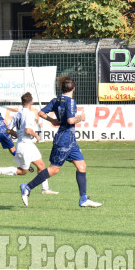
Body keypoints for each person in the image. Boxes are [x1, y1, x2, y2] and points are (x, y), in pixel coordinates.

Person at [20, 76, 101, 208]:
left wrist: (52, 120)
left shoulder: (56, 100)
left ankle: (83, 199)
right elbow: (70, 121)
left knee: (82, 167)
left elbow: (40, 113)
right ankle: (27, 187)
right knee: (54, 169)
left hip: (70, 141)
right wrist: (80, 118)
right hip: (64, 139)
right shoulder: (70, 102)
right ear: (73, 88)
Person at [0, 92, 58, 195]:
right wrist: (36, 135)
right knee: (23, 171)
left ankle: (45, 189)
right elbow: (28, 130)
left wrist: (19, 135)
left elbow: (8, 130)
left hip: (27, 144)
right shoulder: (29, 114)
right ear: (32, 102)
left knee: (41, 165)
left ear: (21, 103)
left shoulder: (17, 114)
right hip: (25, 146)